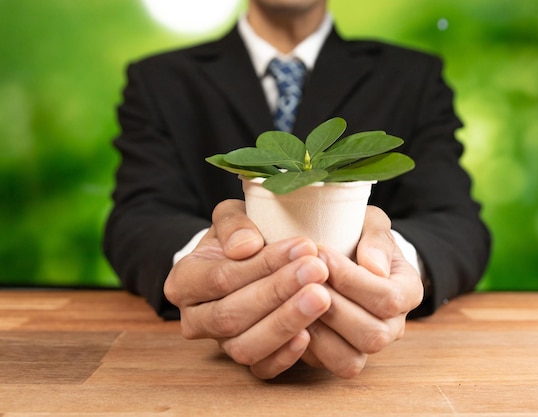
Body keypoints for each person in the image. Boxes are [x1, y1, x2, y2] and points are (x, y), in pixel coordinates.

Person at [104, 0, 491, 379]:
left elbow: (457, 223)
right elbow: (137, 218)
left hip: (386, 366)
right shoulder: (159, 79)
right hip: (206, 371)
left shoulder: (411, 76)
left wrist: (390, 264)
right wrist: (209, 270)